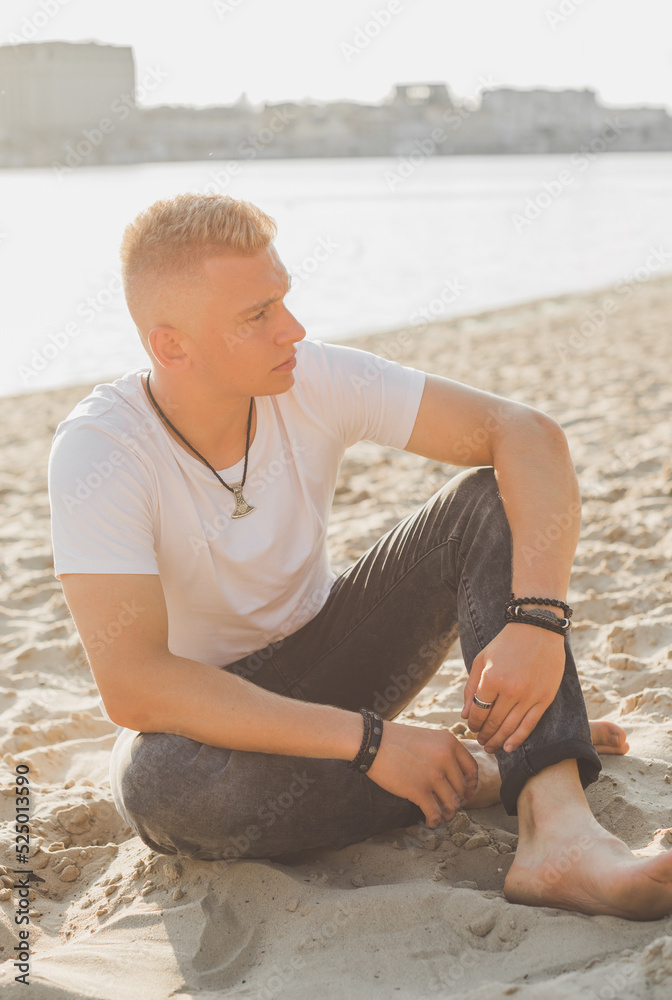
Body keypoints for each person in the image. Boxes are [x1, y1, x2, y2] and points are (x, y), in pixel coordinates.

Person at [48, 193, 671, 921]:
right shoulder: (101, 450)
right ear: (172, 346)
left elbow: (524, 432)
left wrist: (537, 622)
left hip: (339, 659)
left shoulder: (308, 376)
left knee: (484, 499)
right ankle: (489, 770)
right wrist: (371, 740)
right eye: (257, 315)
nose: (293, 328)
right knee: (163, 790)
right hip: (210, 726)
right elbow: (136, 685)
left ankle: (558, 832)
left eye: (283, 299)